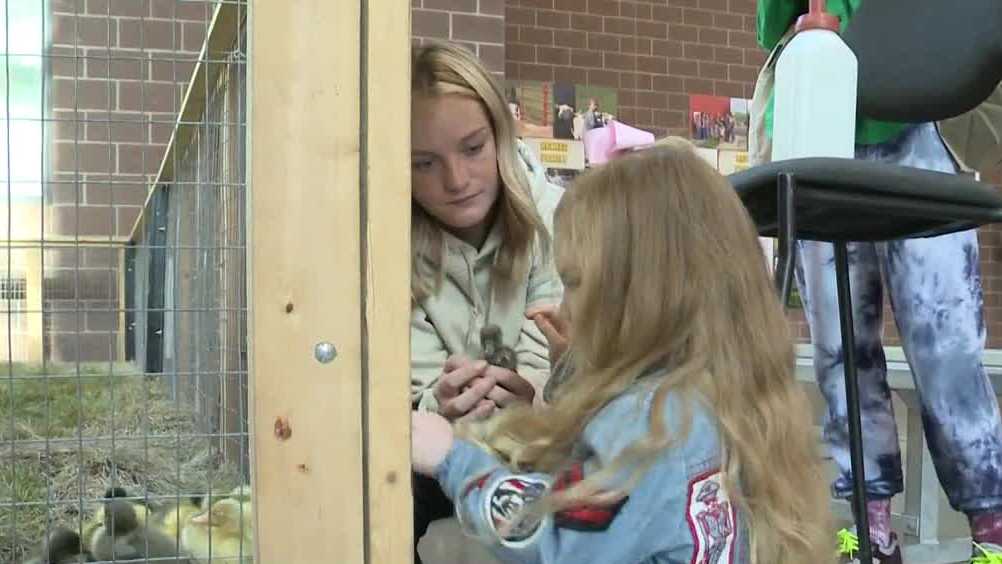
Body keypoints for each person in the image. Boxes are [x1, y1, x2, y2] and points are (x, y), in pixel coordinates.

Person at [412, 140, 832, 564]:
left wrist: (452, 459)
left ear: (633, 296)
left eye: (574, 283)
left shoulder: (649, 425)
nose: (566, 306)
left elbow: (556, 543)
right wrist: (572, 371)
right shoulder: (724, 399)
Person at [757, 1, 1002, 561]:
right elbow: (771, 27)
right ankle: (871, 532)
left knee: (946, 344)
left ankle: (991, 530)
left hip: (921, 120)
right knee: (839, 351)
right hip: (821, 121)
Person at [409, 41, 564, 563]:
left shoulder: (554, 218)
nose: (455, 181)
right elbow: (411, 402)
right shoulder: (383, 242)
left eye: (473, 148)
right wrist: (439, 404)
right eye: (424, 163)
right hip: (437, 446)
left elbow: (555, 357)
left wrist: (534, 394)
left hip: (543, 438)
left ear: (502, 135)